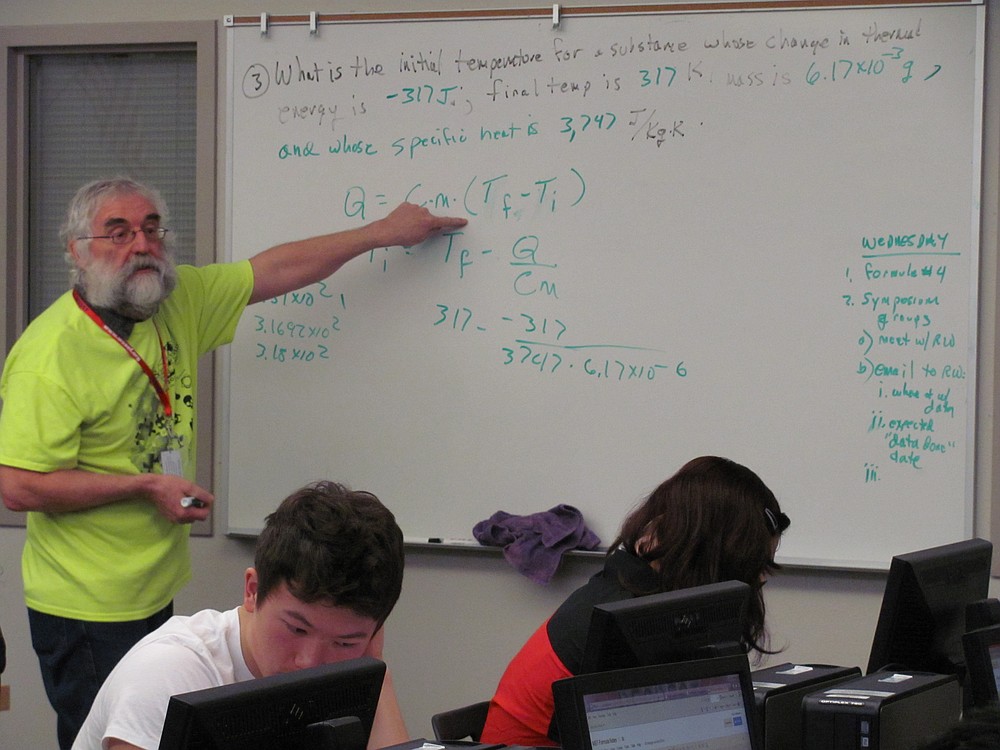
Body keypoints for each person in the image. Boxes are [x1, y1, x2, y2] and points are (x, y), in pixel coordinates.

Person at [0, 177, 466, 748]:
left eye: (151, 228)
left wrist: (381, 234)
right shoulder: (50, 355)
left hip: (151, 582)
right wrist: (146, 486)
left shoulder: (175, 301)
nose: (141, 245)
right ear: (76, 251)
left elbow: (274, 271)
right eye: (117, 233)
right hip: (84, 600)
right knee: (127, 725)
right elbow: (17, 485)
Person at [479, 455, 791, 747]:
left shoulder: (646, 598)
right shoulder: (624, 618)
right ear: (714, 552)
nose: (763, 577)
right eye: (753, 563)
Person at [72, 480, 407, 750]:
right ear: (252, 590)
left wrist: (373, 669)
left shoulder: (347, 663)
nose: (311, 662)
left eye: (345, 641)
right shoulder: (171, 672)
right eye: (296, 629)